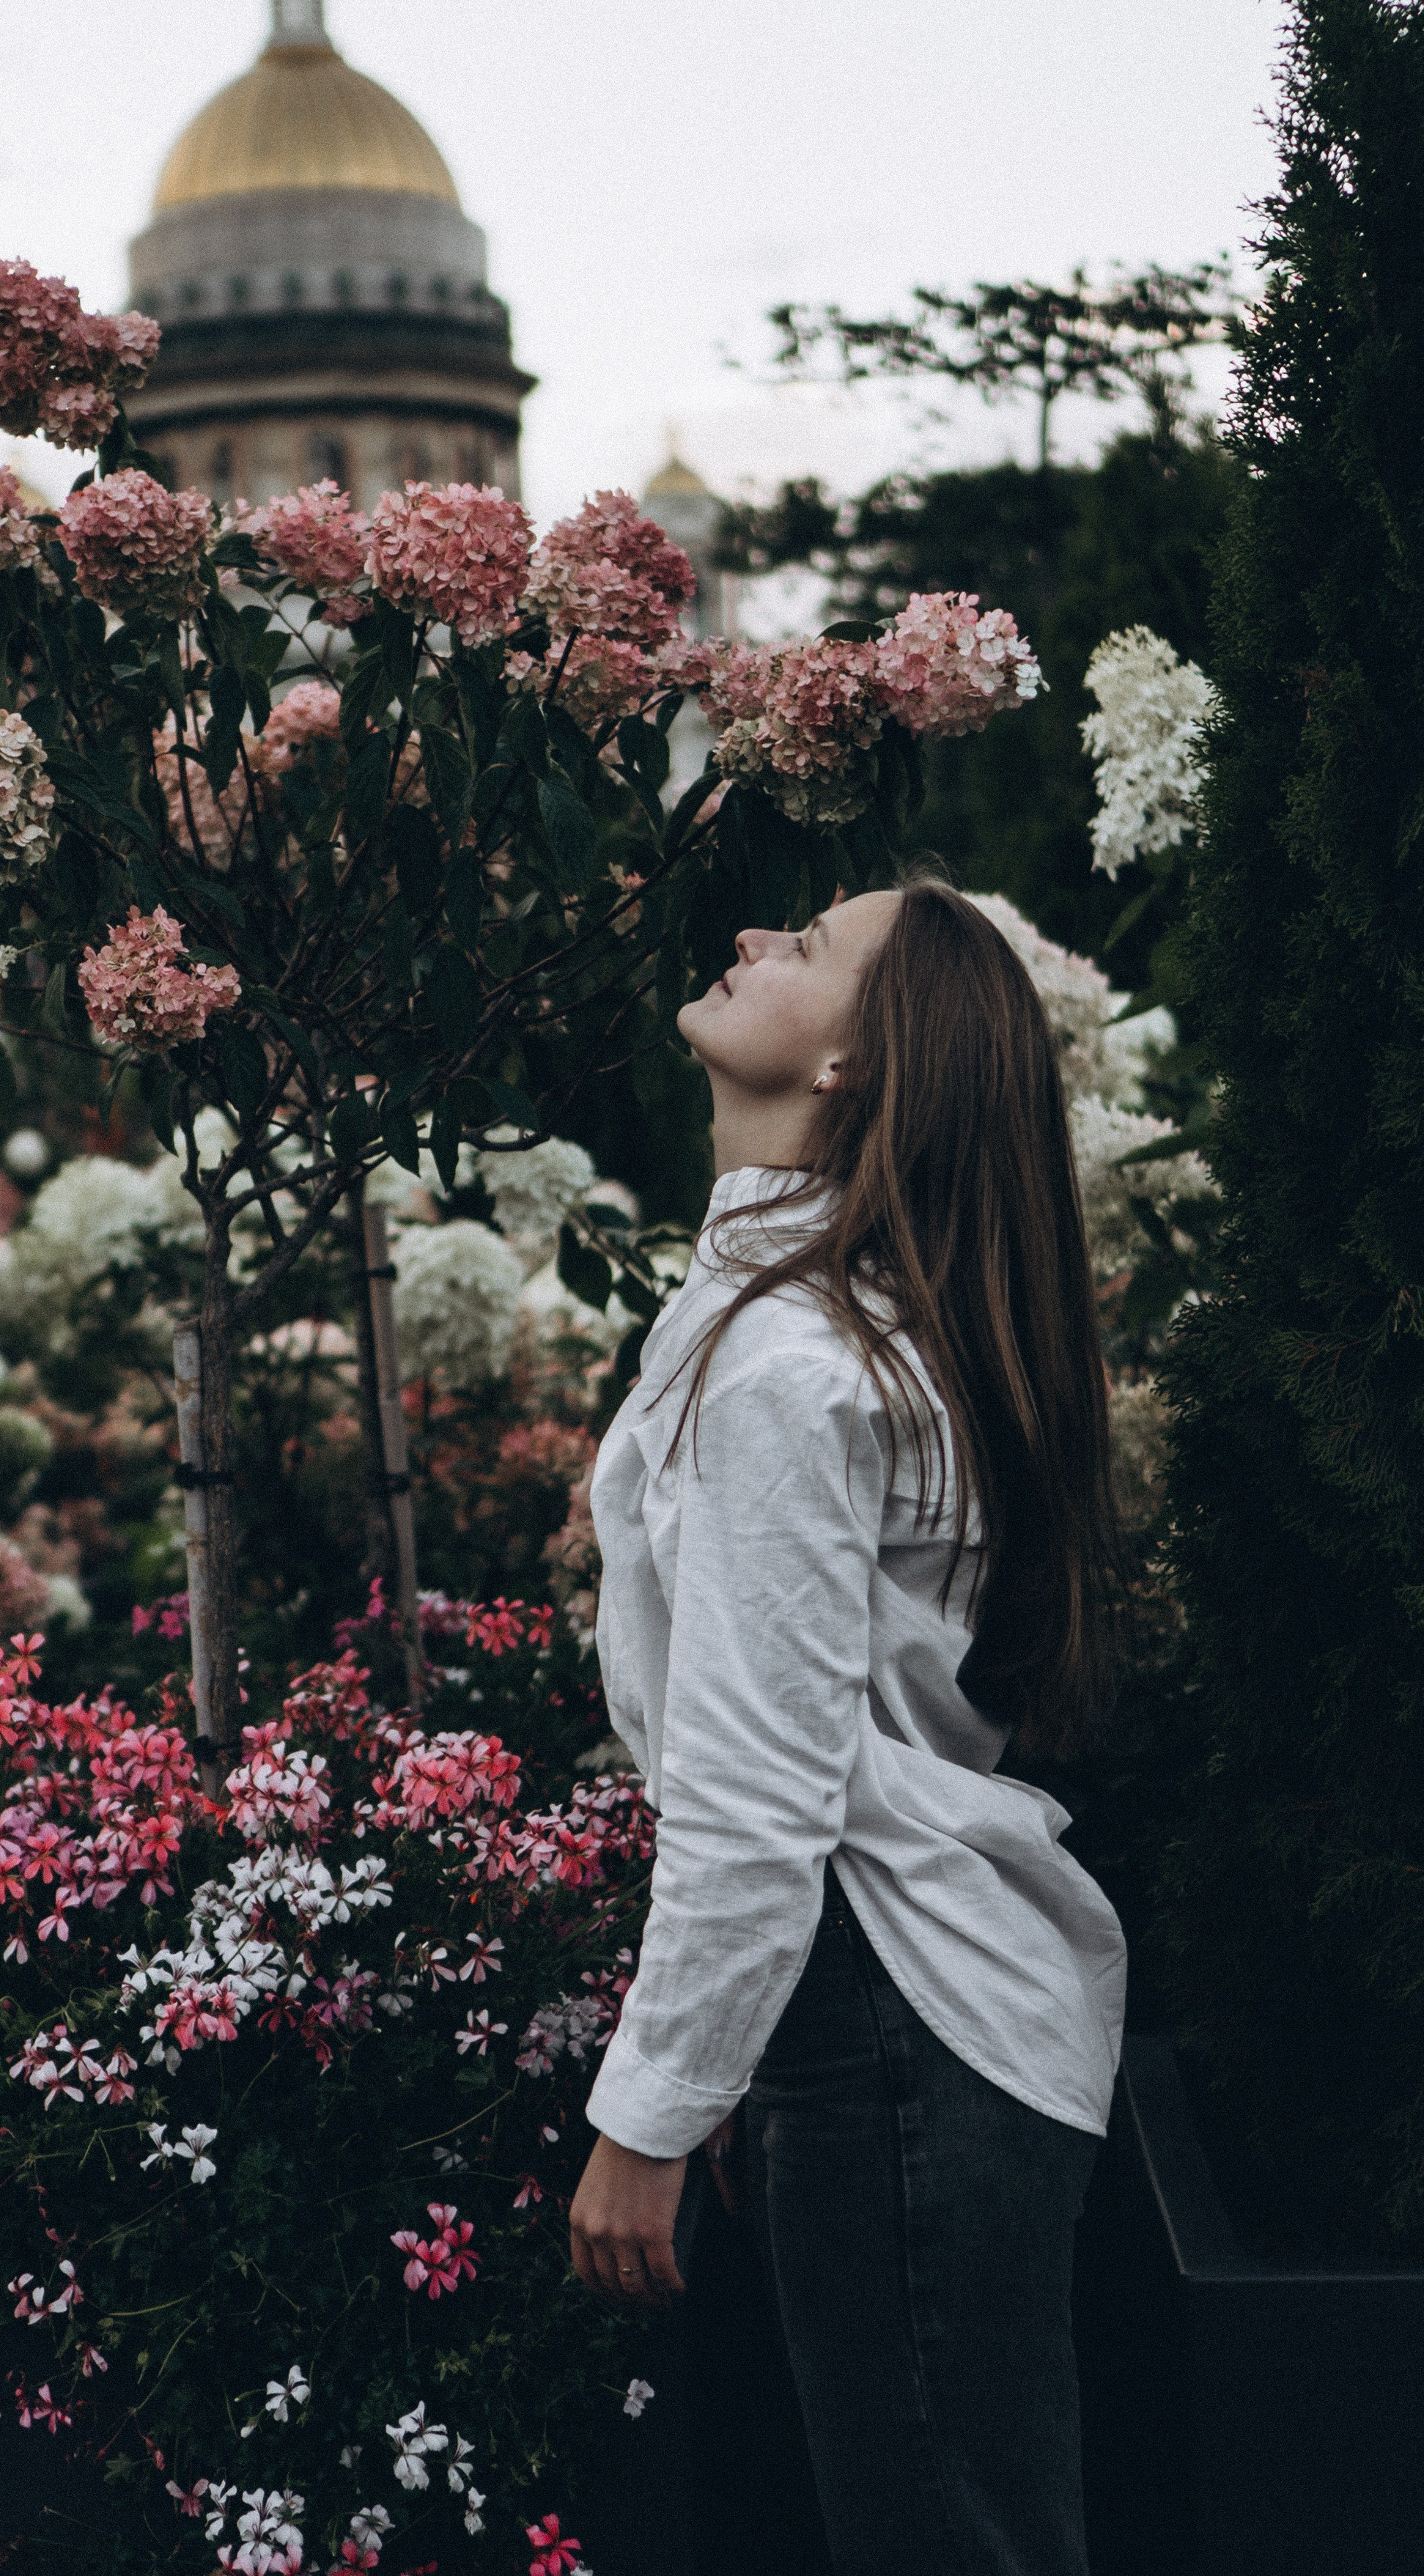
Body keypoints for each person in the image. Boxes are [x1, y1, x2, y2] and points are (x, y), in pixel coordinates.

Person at [568, 877, 1127, 2576]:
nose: (749, 940)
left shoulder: (789, 1361)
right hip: (898, 2023)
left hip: (891, 2014)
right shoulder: (812, 1320)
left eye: (804, 947)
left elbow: (755, 1798)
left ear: (853, 1068)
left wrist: (647, 2117)